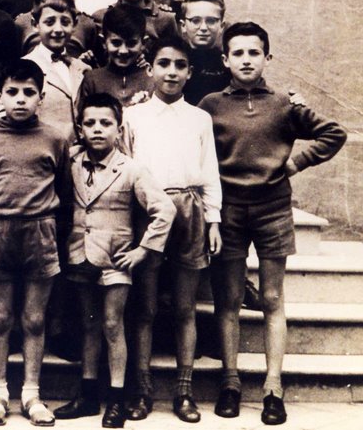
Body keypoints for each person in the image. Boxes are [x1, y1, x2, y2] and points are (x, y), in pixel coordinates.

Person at [199, 22, 346, 426]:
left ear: (267, 57)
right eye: (238, 53)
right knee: (228, 300)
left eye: (254, 52)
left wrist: (295, 162)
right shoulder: (210, 105)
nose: (246, 60)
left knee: (272, 299)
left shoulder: (284, 103)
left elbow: (332, 134)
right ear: (225, 59)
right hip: (227, 211)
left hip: (272, 208)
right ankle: (230, 382)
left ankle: (272, 387)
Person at [55, 93, 176, 429]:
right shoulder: (71, 162)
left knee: (112, 323)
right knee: (89, 324)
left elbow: (165, 210)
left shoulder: (131, 168)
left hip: (116, 260)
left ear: (119, 128)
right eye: (90, 123)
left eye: (106, 123)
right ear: (79, 128)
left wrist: (142, 250)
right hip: (80, 253)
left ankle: (118, 398)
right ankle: (88, 394)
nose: (97, 130)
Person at [123, 35, 222, 423]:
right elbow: (127, 168)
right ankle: (142, 389)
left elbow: (209, 169)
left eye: (180, 65)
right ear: (150, 69)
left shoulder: (199, 118)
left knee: (185, 308)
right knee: (144, 307)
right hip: (147, 212)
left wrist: (212, 219)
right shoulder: (133, 116)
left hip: (189, 211)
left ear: (190, 72)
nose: (172, 72)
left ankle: (184, 391)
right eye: (164, 63)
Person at [0, 60, 71, 427]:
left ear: (41, 98)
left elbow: (64, 188)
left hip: (40, 232)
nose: (20, 99)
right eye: (12, 92)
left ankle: (31, 393)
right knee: (0, 317)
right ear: (0, 97)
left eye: (29, 92)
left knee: (33, 317)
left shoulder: (56, 138)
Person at [23, 0, 90, 142]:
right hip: (42, 153)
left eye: (65, 22)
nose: (58, 29)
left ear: (74, 25)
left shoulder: (83, 69)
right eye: (49, 22)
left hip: (78, 157)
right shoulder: (23, 67)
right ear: (35, 24)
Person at [78, 5, 154, 107]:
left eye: (131, 43)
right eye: (116, 43)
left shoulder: (152, 80)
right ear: (103, 42)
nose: (123, 51)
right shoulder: (91, 80)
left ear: (143, 43)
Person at [178, 0, 228, 106]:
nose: (204, 28)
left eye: (211, 21)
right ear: (183, 26)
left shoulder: (227, 64)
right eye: (195, 20)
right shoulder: (174, 61)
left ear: (221, 26)